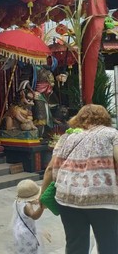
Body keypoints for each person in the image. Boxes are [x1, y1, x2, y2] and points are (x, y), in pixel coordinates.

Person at [40, 104, 118, 254]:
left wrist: (42, 197)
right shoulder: (112, 134)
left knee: (75, 244)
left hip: (68, 199)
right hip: (103, 199)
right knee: (110, 243)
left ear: (80, 119)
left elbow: (50, 169)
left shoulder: (66, 137)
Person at [12, 179, 44, 254]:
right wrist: (42, 207)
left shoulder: (18, 202)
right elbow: (34, 216)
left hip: (19, 229)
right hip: (25, 233)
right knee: (30, 251)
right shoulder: (27, 206)